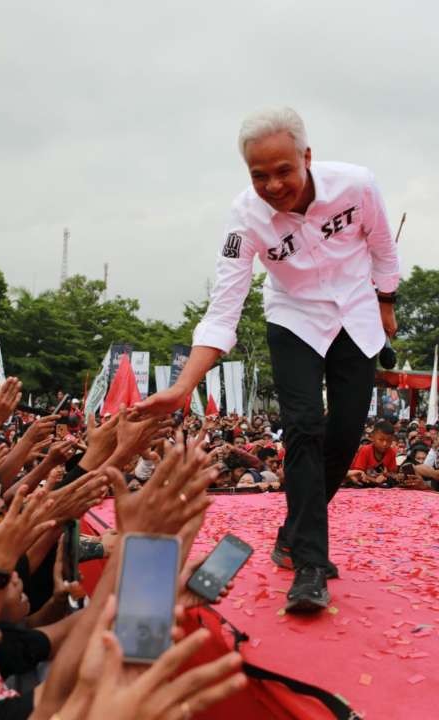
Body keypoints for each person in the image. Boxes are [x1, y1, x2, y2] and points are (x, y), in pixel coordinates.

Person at [138, 106, 401, 612]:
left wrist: (386, 302)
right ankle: (308, 565)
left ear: (307, 157)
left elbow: (384, 251)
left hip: (357, 315)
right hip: (294, 319)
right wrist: (183, 384)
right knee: (303, 428)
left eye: (284, 170)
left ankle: (291, 534)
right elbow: (224, 309)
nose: (274, 185)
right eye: (260, 175)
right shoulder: (244, 219)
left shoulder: (358, 186)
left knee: (345, 436)